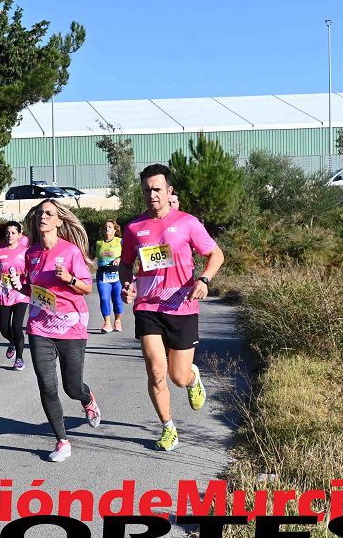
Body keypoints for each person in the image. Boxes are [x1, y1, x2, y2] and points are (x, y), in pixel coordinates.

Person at [120, 164, 224, 452]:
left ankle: (192, 378)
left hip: (182, 305)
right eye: (146, 190)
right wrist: (126, 284)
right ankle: (168, 428)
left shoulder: (188, 222)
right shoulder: (134, 228)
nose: (151, 195)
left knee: (177, 376)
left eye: (156, 189)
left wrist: (204, 278)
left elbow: (215, 254)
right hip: (148, 306)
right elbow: (126, 263)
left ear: (169, 191)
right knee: (156, 371)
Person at [23, 199, 101, 462]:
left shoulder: (70, 252)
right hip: (39, 326)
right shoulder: (30, 253)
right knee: (46, 386)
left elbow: (87, 288)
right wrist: (17, 285)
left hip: (70, 326)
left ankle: (87, 397)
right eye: (39, 214)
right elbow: (31, 290)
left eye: (49, 214)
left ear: (59, 221)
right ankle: (62, 441)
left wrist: (69, 279)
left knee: (71, 387)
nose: (43, 217)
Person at [0, 220, 28, 370]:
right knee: (4, 328)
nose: (10, 235)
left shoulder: (26, 251)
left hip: (21, 293)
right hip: (4, 293)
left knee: (17, 327)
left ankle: (19, 358)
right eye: (7, 232)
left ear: (19, 234)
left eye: (13, 233)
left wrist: (23, 279)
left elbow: (30, 270)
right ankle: (12, 342)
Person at [95, 220, 125, 333]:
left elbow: (127, 254)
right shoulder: (98, 243)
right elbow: (91, 257)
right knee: (104, 298)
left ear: (115, 230)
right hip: (103, 275)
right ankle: (107, 323)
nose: (107, 228)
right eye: (105, 226)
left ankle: (117, 321)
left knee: (117, 299)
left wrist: (119, 259)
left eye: (110, 227)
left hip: (117, 276)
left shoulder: (120, 241)